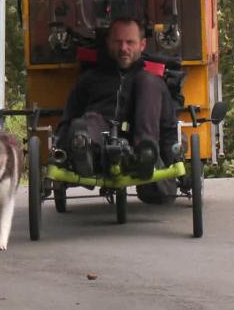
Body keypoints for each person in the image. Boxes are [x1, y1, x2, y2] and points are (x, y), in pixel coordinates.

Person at [55, 17, 179, 204]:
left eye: (130, 42)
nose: (123, 49)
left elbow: (168, 125)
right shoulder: (89, 78)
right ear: (108, 43)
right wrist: (61, 152)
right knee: (84, 124)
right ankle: (82, 149)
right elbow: (69, 116)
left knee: (149, 81)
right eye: (118, 42)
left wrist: (171, 157)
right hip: (99, 138)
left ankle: (146, 154)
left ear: (142, 45)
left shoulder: (152, 83)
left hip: (139, 138)